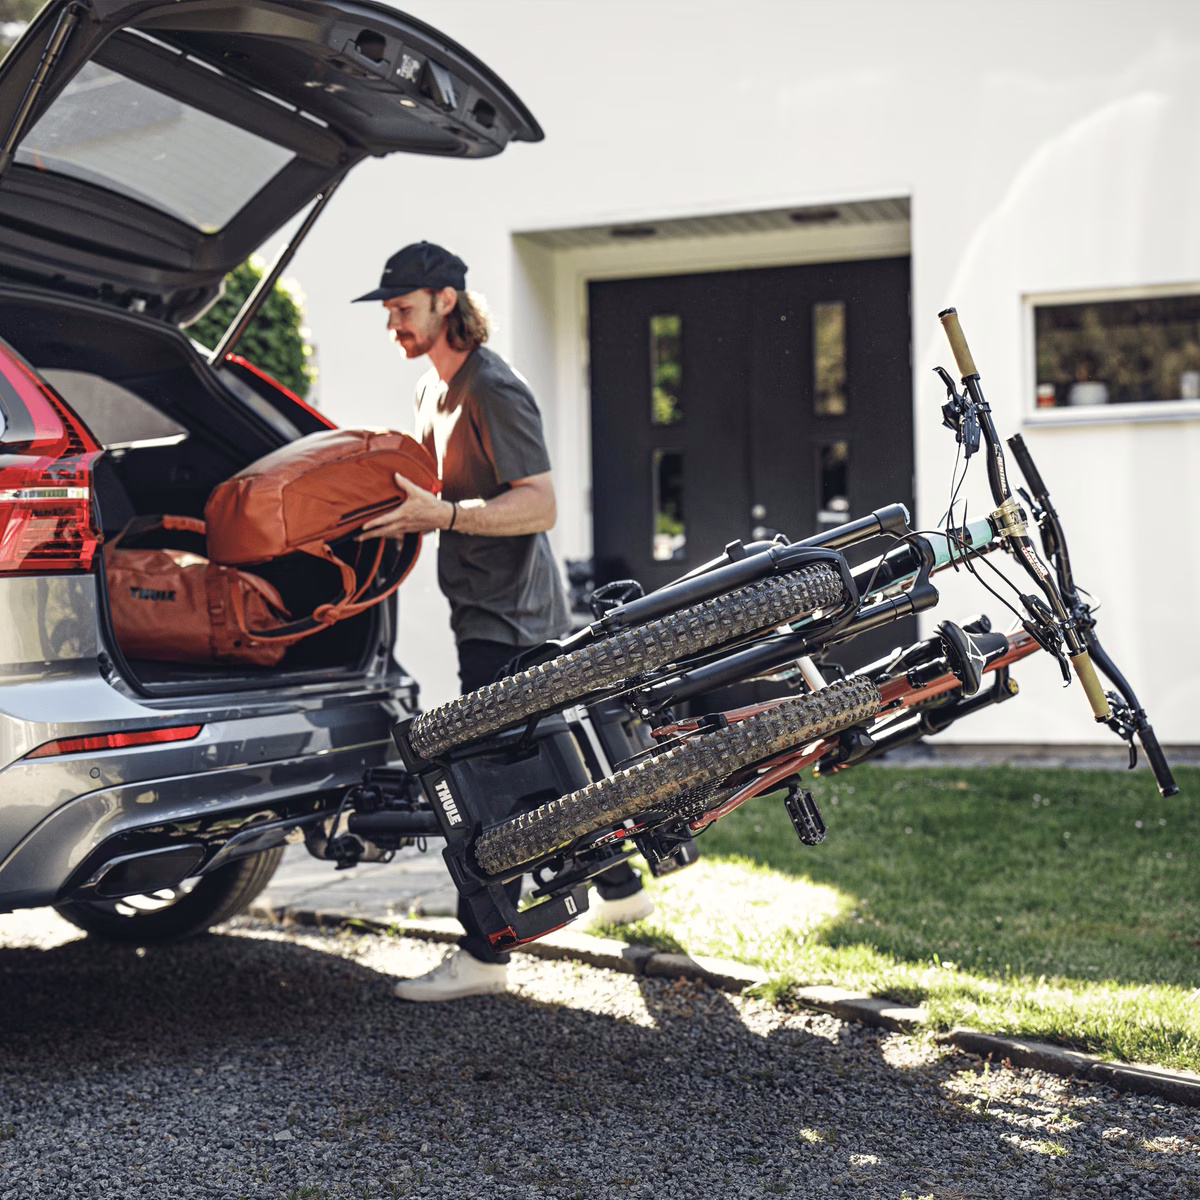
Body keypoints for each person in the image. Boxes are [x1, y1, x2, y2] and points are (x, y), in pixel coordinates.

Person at [353, 242, 653, 1001]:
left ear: (445, 301)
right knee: (545, 769)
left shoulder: (492, 386)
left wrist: (446, 515)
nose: (392, 324)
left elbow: (539, 504)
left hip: (514, 618)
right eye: (388, 311)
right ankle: (623, 890)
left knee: (483, 785)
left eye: (402, 308)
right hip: (479, 610)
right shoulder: (432, 390)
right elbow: (435, 496)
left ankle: (483, 954)